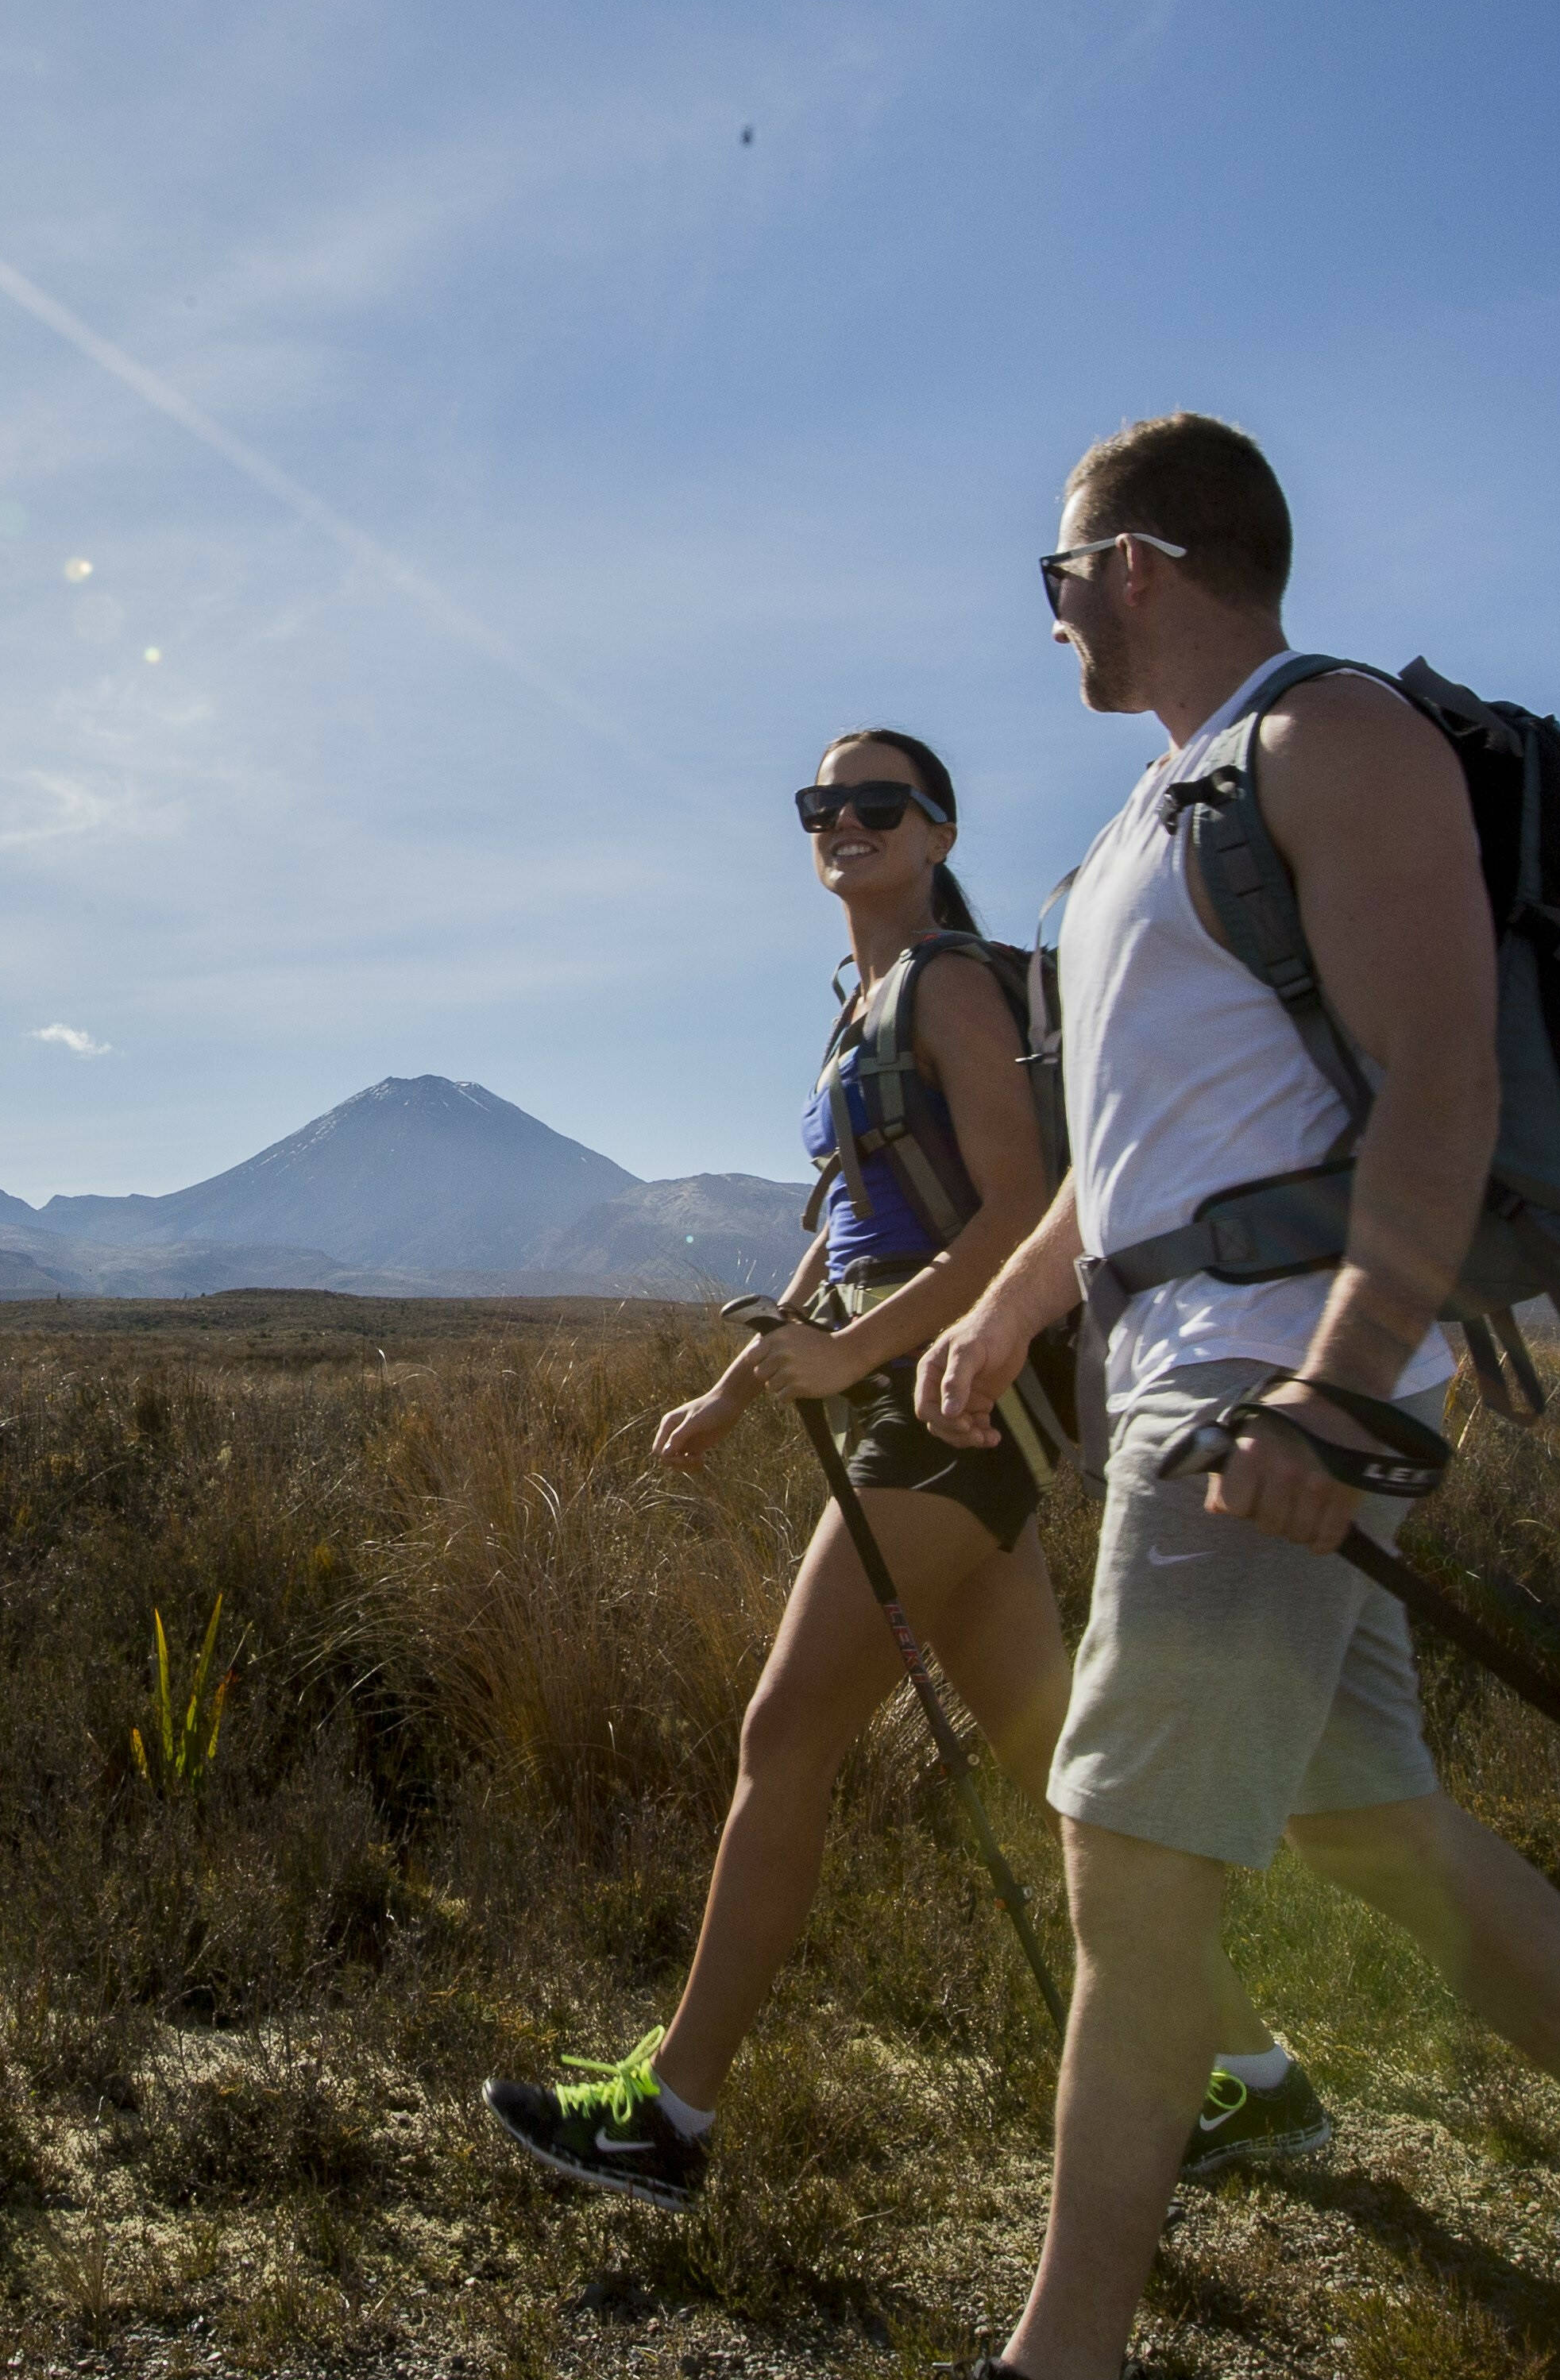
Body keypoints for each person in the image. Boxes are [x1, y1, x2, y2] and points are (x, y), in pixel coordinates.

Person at [791, 417, 1560, 2380]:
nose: (1042, 617)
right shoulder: (1140, 828)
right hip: (1183, 1372)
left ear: (1135, 564)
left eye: (1053, 580)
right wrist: (1011, 1313)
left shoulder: (1338, 737)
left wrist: (1344, 1379)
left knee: (1127, 1853)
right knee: (1372, 1829)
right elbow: (1123, 1164)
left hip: (1265, 1392)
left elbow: (1440, 1080)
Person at [481, 728, 1331, 2215]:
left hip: (968, 1393)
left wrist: (859, 1357)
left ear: (938, 832)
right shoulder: (862, 1005)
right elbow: (857, 1220)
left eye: (879, 804)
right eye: (824, 805)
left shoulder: (948, 982)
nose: (845, 823)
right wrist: (757, 1369)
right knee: (1058, 1760)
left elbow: (1016, 1213)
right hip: (938, 1388)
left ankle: (668, 2113)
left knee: (784, 1731)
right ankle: (1253, 2078)